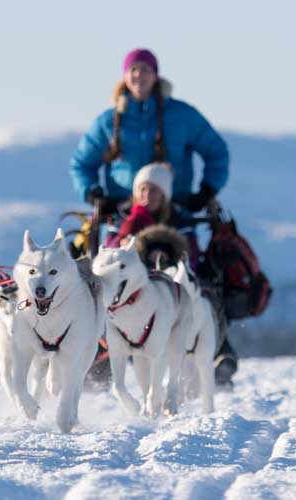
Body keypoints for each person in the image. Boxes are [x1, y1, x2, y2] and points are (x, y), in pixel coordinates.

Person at [69, 48, 238, 388]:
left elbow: (216, 151)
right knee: (106, 276)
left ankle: (215, 348)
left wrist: (207, 189)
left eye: (145, 69)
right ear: (125, 76)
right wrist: (94, 193)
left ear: (156, 75)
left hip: (176, 214)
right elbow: (82, 163)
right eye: (133, 70)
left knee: (191, 276)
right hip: (123, 214)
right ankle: (102, 350)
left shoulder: (181, 115)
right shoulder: (109, 121)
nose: (139, 76)